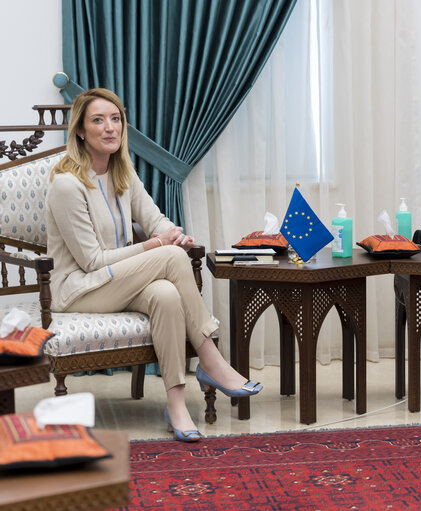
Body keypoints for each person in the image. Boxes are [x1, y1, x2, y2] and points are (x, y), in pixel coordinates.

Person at [46, 88, 263, 442]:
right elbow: (91, 261)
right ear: (81, 131)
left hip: (115, 282)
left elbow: (154, 218)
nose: (110, 127)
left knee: (165, 294)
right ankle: (212, 359)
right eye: (98, 120)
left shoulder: (123, 175)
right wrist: (155, 245)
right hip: (78, 289)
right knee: (169, 257)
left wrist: (173, 235)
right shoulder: (67, 184)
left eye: (116, 119)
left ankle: (176, 404)